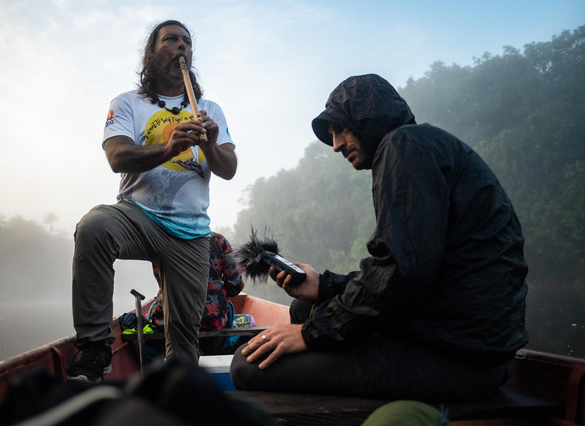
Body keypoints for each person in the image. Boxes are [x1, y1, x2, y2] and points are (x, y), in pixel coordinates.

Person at [230, 74, 528, 402]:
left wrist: (312, 334)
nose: (336, 145)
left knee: (248, 366)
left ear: (368, 118)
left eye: (340, 129)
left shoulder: (404, 147)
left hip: (459, 357)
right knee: (305, 305)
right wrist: (325, 287)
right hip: (462, 340)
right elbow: (409, 269)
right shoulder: (422, 146)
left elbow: (404, 272)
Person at [68, 20, 237, 382]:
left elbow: (229, 169)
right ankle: (96, 348)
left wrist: (208, 143)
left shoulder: (210, 109)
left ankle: (176, 395)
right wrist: (168, 147)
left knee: (184, 349)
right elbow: (117, 158)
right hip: (138, 215)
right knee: (94, 227)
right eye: (171, 39)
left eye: (187, 42)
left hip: (190, 231)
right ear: (151, 52)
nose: (181, 47)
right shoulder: (128, 103)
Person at [148, 231, 244, 345]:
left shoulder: (162, 240)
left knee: (154, 309)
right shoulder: (218, 240)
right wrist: (217, 293)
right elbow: (235, 285)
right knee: (228, 308)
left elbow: (161, 282)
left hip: (171, 320)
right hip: (211, 321)